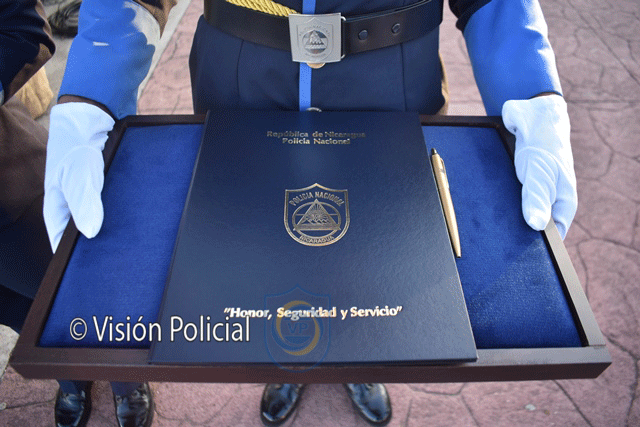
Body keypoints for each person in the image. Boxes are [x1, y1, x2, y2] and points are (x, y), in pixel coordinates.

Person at [43, 0, 578, 426]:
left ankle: (363, 354)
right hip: (244, 84)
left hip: (388, 85)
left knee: (378, 254)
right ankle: (291, 360)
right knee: (261, 248)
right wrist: (94, 91)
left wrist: (529, 87)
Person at [0, 2, 154, 427]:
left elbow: (20, 23)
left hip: (10, 189)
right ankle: (69, 376)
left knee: (85, 289)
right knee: (18, 311)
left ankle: (125, 379)